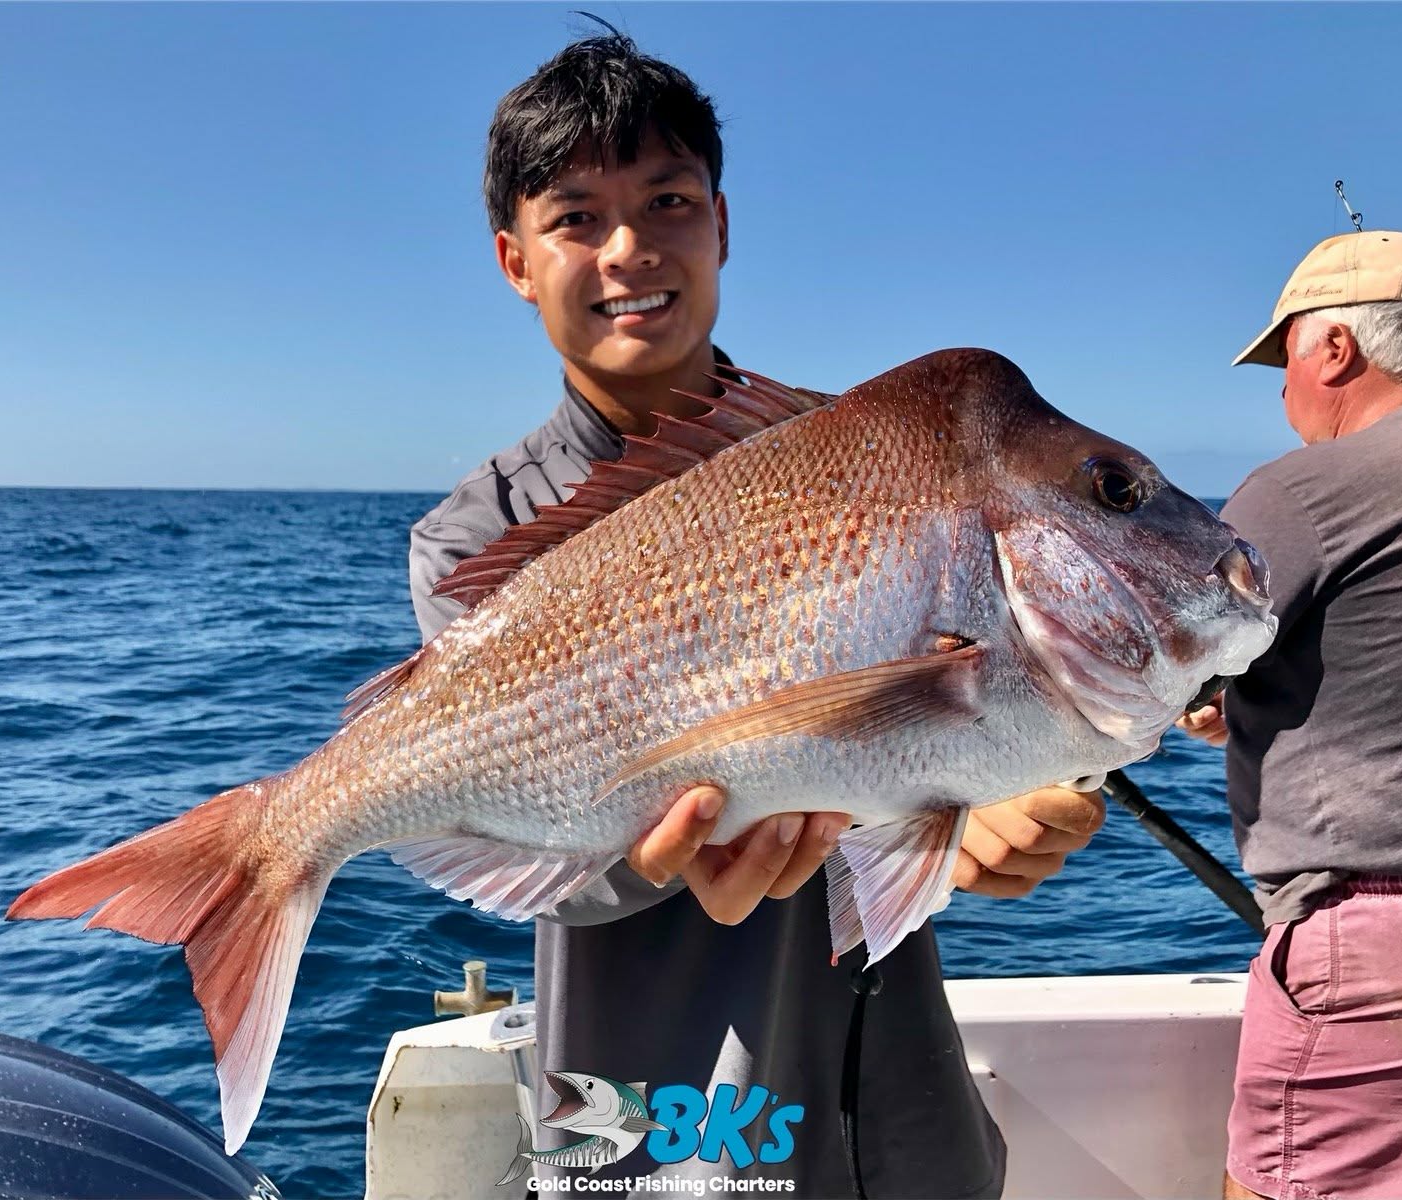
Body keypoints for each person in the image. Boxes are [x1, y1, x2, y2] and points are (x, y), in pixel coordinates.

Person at [409, 33, 1106, 1196]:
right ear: (514, 262)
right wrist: (667, 855)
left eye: (667, 202)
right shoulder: (481, 536)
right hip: (650, 1094)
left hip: (894, 1083)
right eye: (576, 218)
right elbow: (521, 835)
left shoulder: (872, 453)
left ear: (721, 226)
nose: (629, 249)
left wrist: (1009, 787)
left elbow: (972, 683)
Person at [1178, 229, 1402, 1200]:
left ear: (1335, 350)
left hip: (1391, 947)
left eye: (1284, 360)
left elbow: (1164, 666)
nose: (1285, 393)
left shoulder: (1300, 491)